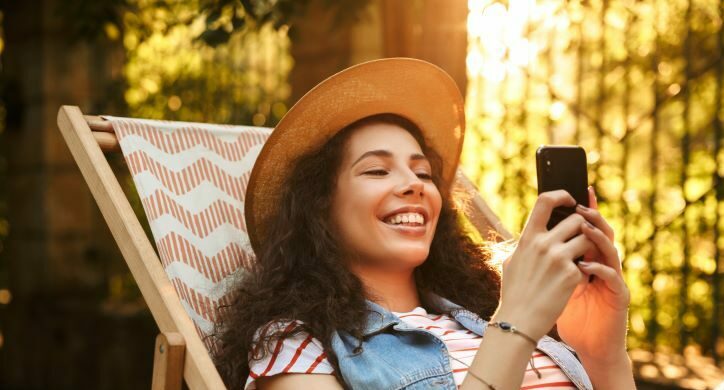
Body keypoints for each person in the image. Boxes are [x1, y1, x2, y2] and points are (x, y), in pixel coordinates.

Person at [213, 58, 635, 390]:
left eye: (423, 173)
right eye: (377, 171)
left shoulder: (481, 316)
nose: (413, 185)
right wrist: (517, 324)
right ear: (319, 209)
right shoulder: (297, 344)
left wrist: (603, 352)